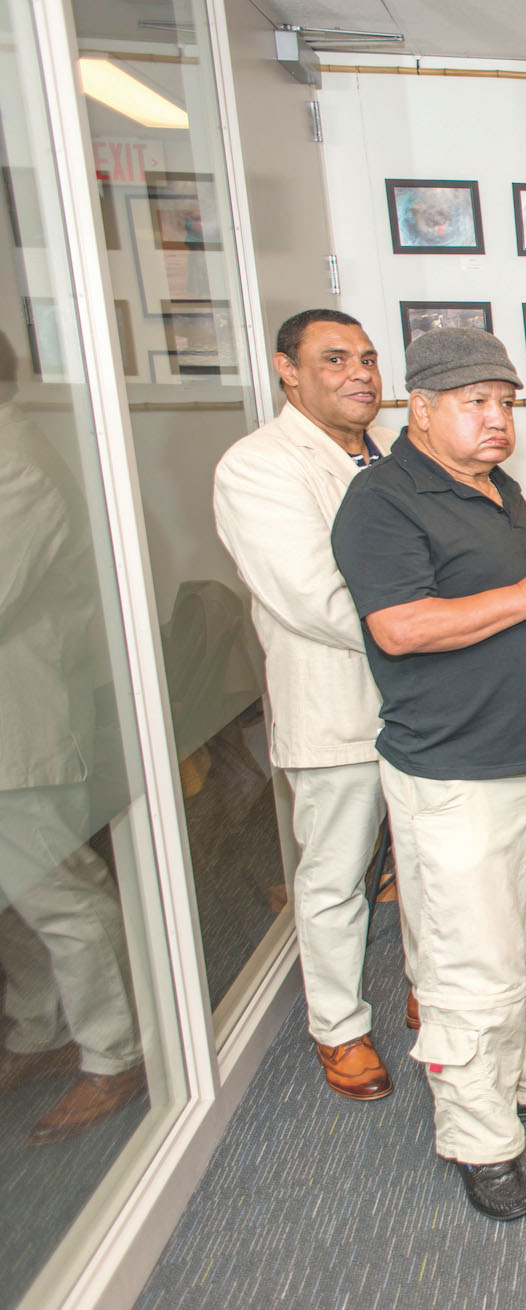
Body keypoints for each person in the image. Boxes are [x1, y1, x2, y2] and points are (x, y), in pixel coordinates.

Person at [331, 328, 526, 1222]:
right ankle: (479, 1139)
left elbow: (513, 604)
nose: (497, 420)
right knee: (470, 968)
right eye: (474, 404)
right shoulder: (381, 501)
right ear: (420, 408)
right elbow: (403, 628)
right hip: (455, 771)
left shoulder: (499, 491)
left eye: (503, 402)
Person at [213, 308, 398, 1102]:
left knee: (423, 870)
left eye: (366, 358)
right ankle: (339, 1028)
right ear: (287, 370)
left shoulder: (387, 459)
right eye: (334, 359)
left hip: (423, 709)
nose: (359, 373)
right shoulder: (258, 466)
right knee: (333, 877)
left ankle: (432, 992)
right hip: (337, 708)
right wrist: (439, 631)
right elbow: (313, 599)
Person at [0, 331, 144, 1145]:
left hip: (18, 719)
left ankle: (113, 1051)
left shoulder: (15, 466)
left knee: (58, 892)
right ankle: (38, 1027)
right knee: (18, 893)